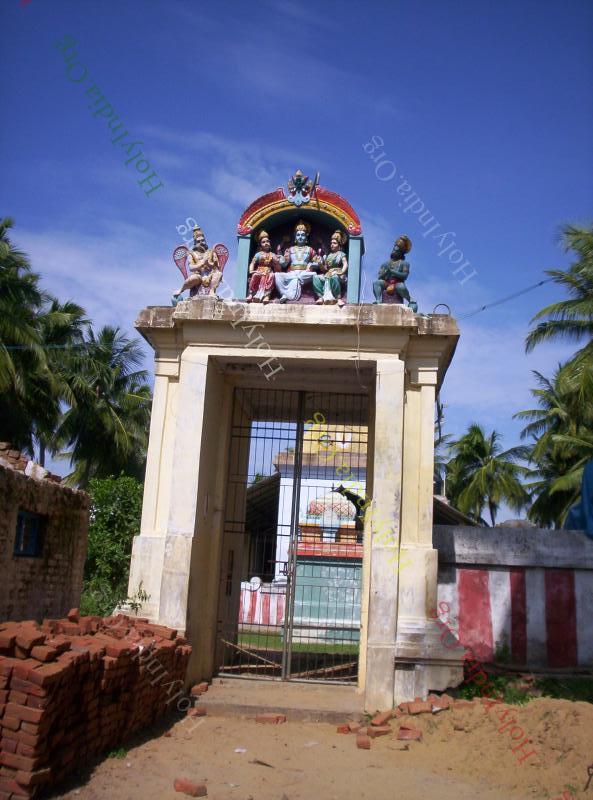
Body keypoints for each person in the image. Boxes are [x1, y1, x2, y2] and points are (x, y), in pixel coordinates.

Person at [172, 226, 221, 304]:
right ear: (195, 242)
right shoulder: (192, 254)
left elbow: (216, 266)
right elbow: (191, 268)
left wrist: (207, 263)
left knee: (218, 274)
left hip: (210, 274)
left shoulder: (211, 252)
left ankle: (212, 291)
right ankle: (181, 289)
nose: (201, 243)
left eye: (202, 240)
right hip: (199, 275)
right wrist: (201, 264)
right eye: (198, 241)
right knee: (194, 278)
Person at [274, 220, 319, 303]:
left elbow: (317, 263)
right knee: (277, 275)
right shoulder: (290, 249)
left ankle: (288, 295)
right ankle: (284, 294)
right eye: (298, 235)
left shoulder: (310, 250)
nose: (300, 237)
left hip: (304, 273)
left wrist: (312, 265)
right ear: (295, 237)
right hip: (292, 273)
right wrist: (280, 255)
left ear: (306, 236)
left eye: (302, 235)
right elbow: (284, 264)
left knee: (314, 274)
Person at [372, 234, 418, 312]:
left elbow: (404, 276)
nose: (395, 251)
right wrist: (387, 272)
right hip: (386, 282)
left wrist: (393, 272)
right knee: (376, 283)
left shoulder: (404, 264)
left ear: (401, 253)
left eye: (397, 250)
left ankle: (410, 299)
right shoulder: (385, 264)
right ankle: (378, 300)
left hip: (397, 283)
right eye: (394, 249)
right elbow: (380, 277)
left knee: (401, 287)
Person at [312, 230, 348, 306]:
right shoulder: (329, 255)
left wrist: (341, 272)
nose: (332, 245)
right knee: (315, 277)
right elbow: (324, 269)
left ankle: (338, 298)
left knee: (334, 276)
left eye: (334, 243)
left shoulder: (341, 254)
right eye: (331, 243)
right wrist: (320, 263)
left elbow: (345, 264)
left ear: (339, 244)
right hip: (328, 273)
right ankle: (321, 297)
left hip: (338, 273)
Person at [246, 230, 279, 303]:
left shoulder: (273, 255)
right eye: (263, 242)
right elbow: (252, 263)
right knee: (255, 275)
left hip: (269, 271)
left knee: (271, 275)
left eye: (267, 241)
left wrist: (276, 262)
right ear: (260, 244)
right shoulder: (258, 254)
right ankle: (251, 294)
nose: (266, 243)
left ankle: (267, 296)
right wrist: (251, 271)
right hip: (259, 270)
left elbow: (277, 267)